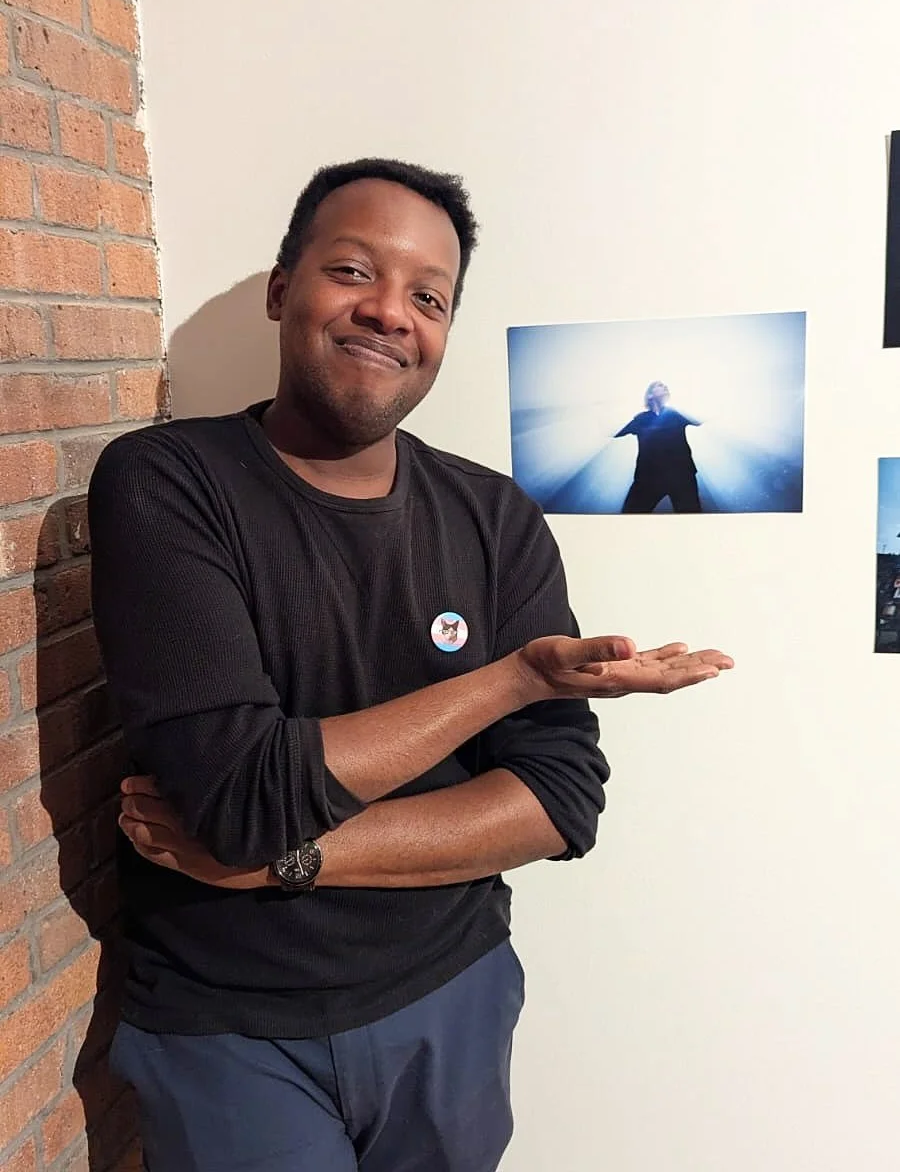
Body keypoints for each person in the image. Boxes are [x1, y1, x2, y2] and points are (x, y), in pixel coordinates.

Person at [89, 158, 733, 1172]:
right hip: (230, 1030)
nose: (391, 312)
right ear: (279, 290)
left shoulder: (493, 519)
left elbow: (561, 803)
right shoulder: (167, 482)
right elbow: (239, 801)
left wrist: (286, 861)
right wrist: (514, 677)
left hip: (453, 1000)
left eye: (428, 296)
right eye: (352, 271)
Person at [614, 380, 703, 513]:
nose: (665, 386)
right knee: (631, 516)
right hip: (649, 477)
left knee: (690, 517)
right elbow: (616, 433)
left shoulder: (675, 414)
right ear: (649, 395)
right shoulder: (641, 419)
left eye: (665, 386)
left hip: (681, 475)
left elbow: (698, 421)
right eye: (659, 386)